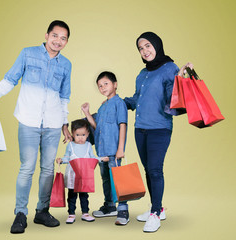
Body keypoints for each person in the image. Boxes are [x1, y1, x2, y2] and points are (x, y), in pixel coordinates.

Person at [0, 20, 73, 234]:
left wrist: (64, 123)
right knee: (27, 168)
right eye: (55, 35)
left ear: (67, 42)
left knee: (48, 170)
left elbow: (64, 96)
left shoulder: (66, 65)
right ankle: (20, 213)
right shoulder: (28, 53)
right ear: (47, 35)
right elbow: (10, 79)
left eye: (63, 38)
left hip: (52, 123)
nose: (58, 41)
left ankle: (42, 211)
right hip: (28, 121)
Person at [123, 32, 192, 233]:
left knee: (155, 170)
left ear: (156, 45)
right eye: (140, 48)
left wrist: (181, 79)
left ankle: (154, 214)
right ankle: (158, 208)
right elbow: (137, 99)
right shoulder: (141, 74)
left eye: (147, 46)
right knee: (148, 170)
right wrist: (120, 101)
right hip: (140, 129)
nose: (144, 51)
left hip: (159, 129)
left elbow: (174, 97)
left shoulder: (170, 68)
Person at [81, 71, 129, 225]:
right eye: (100, 86)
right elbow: (97, 128)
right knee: (105, 179)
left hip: (114, 151)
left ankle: (123, 210)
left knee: (118, 180)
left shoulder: (119, 103)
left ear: (115, 85)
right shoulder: (102, 108)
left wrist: (120, 148)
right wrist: (87, 113)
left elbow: (123, 125)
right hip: (101, 151)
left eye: (106, 84)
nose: (102, 87)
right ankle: (109, 206)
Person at [56, 119, 109, 224]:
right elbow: (67, 157)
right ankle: (71, 214)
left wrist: (101, 159)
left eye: (83, 135)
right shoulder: (70, 145)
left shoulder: (88, 145)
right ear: (72, 134)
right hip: (72, 175)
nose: (80, 138)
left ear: (88, 134)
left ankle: (85, 213)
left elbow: (92, 158)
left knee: (84, 195)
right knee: (72, 196)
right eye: (77, 135)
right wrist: (61, 160)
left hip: (84, 176)